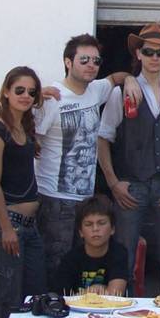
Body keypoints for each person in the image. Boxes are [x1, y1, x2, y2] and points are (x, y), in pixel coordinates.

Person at [35, 33, 140, 284]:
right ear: (68, 62)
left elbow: (115, 77)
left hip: (84, 201)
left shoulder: (96, 90)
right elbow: (31, 146)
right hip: (54, 199)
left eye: (96, 60)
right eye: (84, 60)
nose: (91, 65)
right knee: (56, 268)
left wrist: (130, 80)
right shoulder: (52, 98)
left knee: (80, 268)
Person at [98, 23, 160, 291]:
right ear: (138, 54)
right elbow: (103, 138)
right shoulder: (121, 92)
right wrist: (113, 183)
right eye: (149, 51)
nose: (154, 57)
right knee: (125, 260)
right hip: (131, 185)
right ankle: (122, 312)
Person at [0, 66, 48, 318]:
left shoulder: (25, 127)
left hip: (29, 227)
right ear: (6, 91)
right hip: (6, 225)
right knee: (5, 300)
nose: (26, 96)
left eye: (32, 92)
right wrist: (6, 228)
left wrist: (47, 93)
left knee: (34, 294)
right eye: (19, 90)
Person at [52, 195, 128, 296]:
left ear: (112, 229)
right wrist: (92, 291)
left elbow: (116, 294)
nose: (95, 229)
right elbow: (60, 297)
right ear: (80, 232)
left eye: (101, 223)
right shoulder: (70, 259)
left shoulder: (119, 253)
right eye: (88, 224)